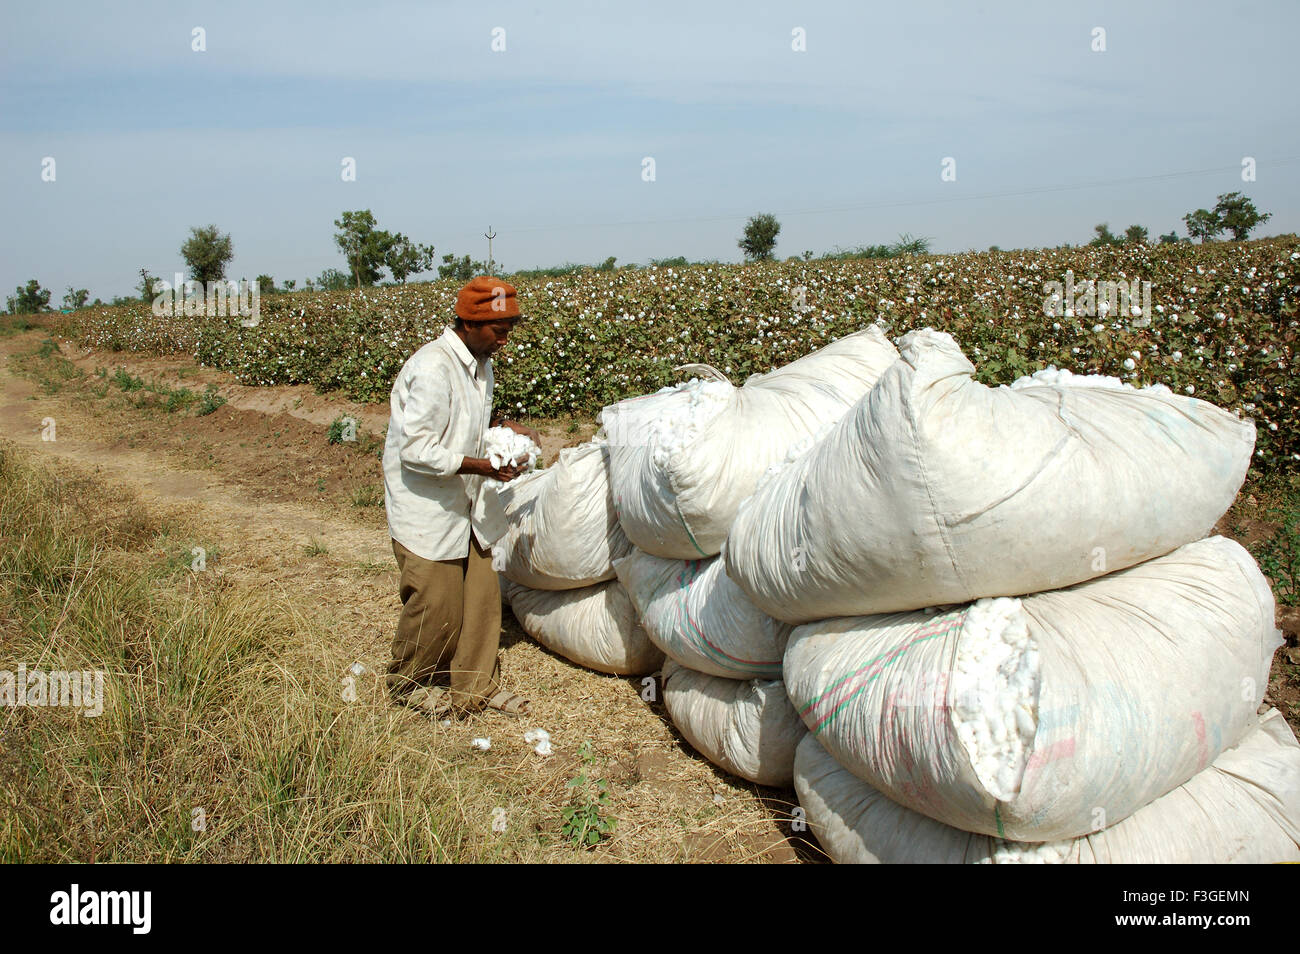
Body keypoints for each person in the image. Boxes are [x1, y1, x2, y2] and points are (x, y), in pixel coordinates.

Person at [381, 274, 541, 718]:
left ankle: (475, 688)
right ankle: (409, 684)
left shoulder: (480, 365)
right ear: (469, 323)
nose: (505, 340)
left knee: (483, 597)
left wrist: (503, 430)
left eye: (510, 329)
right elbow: (416, 450)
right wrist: (486, 467)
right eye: (498, 330)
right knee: (436, 604)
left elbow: (464, 429)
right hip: (427, 505)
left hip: (466, 500)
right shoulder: (432, 368)